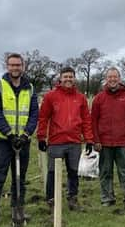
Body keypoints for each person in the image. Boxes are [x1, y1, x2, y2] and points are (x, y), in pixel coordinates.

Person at [0, 52, 39, 227]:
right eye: (12, 65)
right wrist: (9, 134)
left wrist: (25, 135)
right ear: (7, 67)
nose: (15, 68)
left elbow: (33, 114)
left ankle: (18, 211)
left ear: (23, 67)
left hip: (23, 141)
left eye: (18, 65)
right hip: (3, 141)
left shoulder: (30, 88)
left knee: (20, 178)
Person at [38, 66, 94, 211]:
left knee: (73, 172)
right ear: (60, 79)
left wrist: (88, 139)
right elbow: (43, 117)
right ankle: (51, 200)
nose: (68, 79)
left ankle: (73, 199)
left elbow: (86, 120)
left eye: (71, 77)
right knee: (52, 172)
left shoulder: (80, 97)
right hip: (56, 142)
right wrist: (41, 137)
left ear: (74, 78)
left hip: (75, 142)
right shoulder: (51, 96)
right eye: (65, 77)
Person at [91, 67, 125, 212]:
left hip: (123, 143)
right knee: (105, 172)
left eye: (115, 77)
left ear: (119, 79)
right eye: (110, 77)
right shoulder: (99, 98)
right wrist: (96, 140)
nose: (112, 79)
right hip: (104, 143)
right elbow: (93, 120)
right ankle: (107, 198)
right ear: (106, 79)